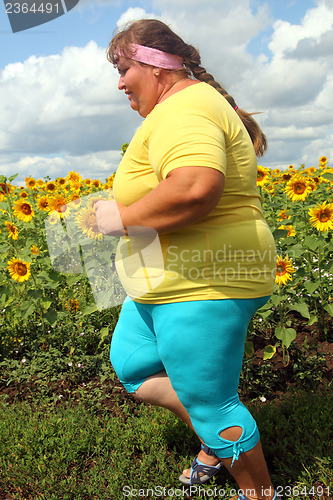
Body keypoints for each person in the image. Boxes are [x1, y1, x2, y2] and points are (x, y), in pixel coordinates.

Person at [95, 18, 279, 500]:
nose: (119, 82)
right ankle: (211, 438)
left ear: (154, 66)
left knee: (211, 401)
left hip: (204, 279)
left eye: (123, 67)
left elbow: (195, 186)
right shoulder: (177, 108)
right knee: (133, 364)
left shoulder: (188, 106)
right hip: (168, 278)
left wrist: (122, 218)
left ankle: (257, 490)